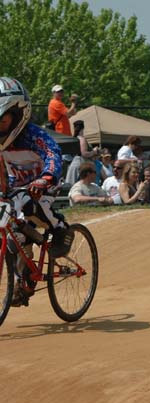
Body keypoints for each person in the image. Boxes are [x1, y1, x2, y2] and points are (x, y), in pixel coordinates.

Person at [0, 77, 74, 306]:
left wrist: (46, 178)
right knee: (14, 237)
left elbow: (53, 155)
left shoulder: (33, 135)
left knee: (30, 204)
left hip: (45, 185)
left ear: (18, 114)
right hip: (17, 187)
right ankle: (22, 281)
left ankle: (60, 228)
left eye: (2, 120)